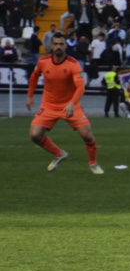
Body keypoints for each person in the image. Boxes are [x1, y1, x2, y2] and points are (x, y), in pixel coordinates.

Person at [27, 35, 102, 174]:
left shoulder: (73, 64)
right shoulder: (43, 62)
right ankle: (59, 154)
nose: (58, 47)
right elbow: (34, 76)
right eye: (55, 44)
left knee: (87, 135)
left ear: (66, 46)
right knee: (34, 135)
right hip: (48, 105)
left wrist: (72, 103)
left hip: (70, 105)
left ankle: (93, 163)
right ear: (51, 46)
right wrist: (30, 96)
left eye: (61, 44)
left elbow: (81, 87)